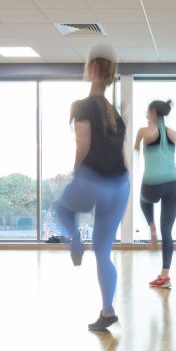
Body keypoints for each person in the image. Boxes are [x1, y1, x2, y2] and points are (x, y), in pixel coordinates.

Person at [55, 45, 130, 332]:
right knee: (103, 251)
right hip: (120, 185)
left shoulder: (81, 105)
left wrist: (77, 174)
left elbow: (82, 144)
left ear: (91, 71)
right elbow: (121, 153)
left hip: (94, 179)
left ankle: (75, 239)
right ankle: (107, 310)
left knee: (62, 209)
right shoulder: (115, 113)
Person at [134, 99, 176, 289]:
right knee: (167, 232)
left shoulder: (143, 132)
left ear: (153, 112)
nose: (146, 115)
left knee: (143, 199)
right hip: (174, 185)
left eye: (147, 111)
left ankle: (152, 227)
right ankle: (165, 275)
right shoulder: (174, 134)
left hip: (152, 185)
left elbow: (135, 152)